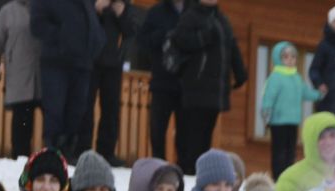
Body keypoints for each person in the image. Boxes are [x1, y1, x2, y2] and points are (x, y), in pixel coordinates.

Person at [167, 0, 250, 171]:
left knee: (205, 134)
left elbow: (232, 46)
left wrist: (240, 71)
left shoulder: (222, 19)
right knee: (192, 135)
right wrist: (203, 37)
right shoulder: (190, 16)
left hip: (216, 90)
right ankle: (188, 170)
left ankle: (198, 171)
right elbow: (180, 41)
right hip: (196, 86)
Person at [32, 0, 106, 157]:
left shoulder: (86, 3)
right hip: (56, 62)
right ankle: (53, 153)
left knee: (77, 111)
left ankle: (68, 152)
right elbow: (37, 25)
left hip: (82, 64)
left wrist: (97, 43)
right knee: (55, 110)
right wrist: (63, 38)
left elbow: (93, 27)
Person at [0, 0, 42, 158]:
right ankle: (19, 157)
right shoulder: (8, 11)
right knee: (22, 120)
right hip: (19, 71)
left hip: (45, 72)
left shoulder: (46, 6)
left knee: (52, 123)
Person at [261, 42, 324, 177]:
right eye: (285, 57)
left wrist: (320, 94)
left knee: (290, 152)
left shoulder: (296, 78)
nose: (290, 60)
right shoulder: (275, 77)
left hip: (293, 121)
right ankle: (278, 178)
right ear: (278, 59)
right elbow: (268, 98)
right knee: (279, 152)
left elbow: (305, 92)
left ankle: (288, 176)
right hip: (278, 122)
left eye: (293, 56)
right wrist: (266, 116)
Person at [138, 0, 188, 163]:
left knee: (185, 131)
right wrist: (163, 35)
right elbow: (142, 41)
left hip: (186, 83)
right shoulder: (156, 12)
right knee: (157, 129)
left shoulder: (193, 11)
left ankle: (183, 167)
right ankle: (157, 164)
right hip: (161, 81)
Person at [273, 110, 335, 191]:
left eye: (333, 136)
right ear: (310, 141)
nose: (328, 142)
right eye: (321, 137)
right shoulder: (291, 178)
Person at [91, 0, 140, 158]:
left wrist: (121, 14)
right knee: (85, 107)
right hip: (90, 61)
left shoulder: (122, 4)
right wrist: (96, 10)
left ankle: (106, 152)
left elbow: (132, 30)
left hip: (113, 62)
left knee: (111, 109)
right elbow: (79, 24)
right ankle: (81, 148)